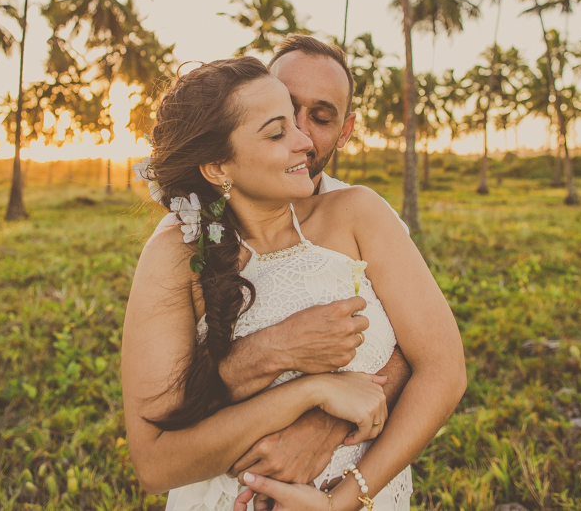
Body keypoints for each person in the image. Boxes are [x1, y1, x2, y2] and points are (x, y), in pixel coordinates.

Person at [122, 57, 465, 511]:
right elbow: (156, 464)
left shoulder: (360, 213)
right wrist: (308, 388)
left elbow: (442, 367)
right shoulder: (176, 255)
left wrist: (342, 500)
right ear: (218, 167)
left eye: (318, 120)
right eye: (278, 129)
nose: (304, 141)